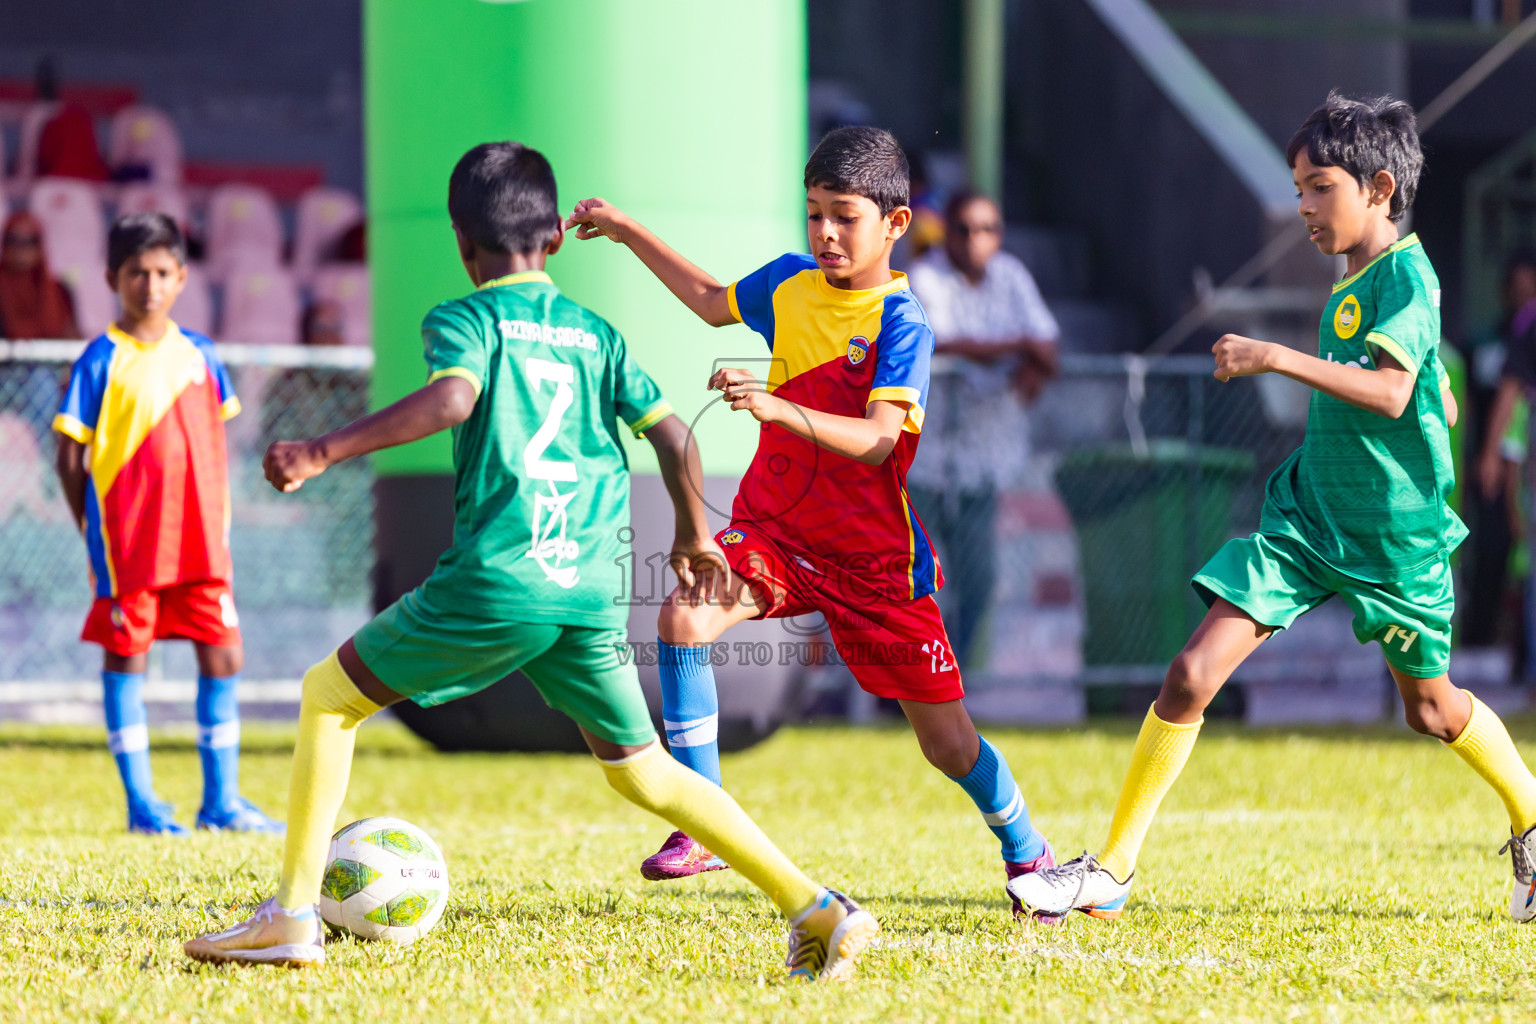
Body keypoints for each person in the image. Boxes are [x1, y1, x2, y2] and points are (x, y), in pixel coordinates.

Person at [184, 142, 877, 980]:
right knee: (646, 773)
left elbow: (453, 397)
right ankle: (816, 907)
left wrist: (324, 450)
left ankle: (291, 917)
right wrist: (694, 536)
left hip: (498, 580)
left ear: (461, 240)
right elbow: (675, 433)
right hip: (586, 592)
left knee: (327, 697)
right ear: (552, 238)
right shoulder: (596, 334)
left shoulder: (465, 319)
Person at [1012, 92, 1536, 924]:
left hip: (1394, 540)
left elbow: (1396, 393)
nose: (1303, 207)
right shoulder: (1356, 276)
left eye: (1318, 187)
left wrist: (1276, 357)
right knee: (1189, 674)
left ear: (1380, 186)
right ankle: (1111, 870)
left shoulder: (1408, 274)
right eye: (1297, 188)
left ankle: (1532, 816)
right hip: (1308, 520)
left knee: (1431, 708)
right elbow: (1423, 387)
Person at [567, 125, 1059, 919]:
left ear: (895, 225)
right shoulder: (788, 284)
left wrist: (777, 406)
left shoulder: (903, 324)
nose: (825, 233)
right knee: (684, 615)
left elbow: (876, 441)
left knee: (948, 745)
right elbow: (704, 299)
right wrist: (626, 231)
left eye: (844, 216)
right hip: (779, 533)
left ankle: (1027, 850)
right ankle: (702, 824)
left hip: (873, 562)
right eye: (813, 214)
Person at [53, 213, 281, 835]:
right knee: (128, 659)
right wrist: (91, 530)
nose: (149, 285)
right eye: (135, 273)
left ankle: (222, 802)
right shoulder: (100, 359)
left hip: (203, 545)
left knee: (224, 657)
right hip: (130, 549)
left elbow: (214, 442)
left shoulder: (202, 355)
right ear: (111, 278)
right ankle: (141, 803)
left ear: (181, 277)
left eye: (160, 272)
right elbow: (70, 455)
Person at [905, 190, 1060, 669]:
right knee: (915, 582)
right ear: (946, 233)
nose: (976, 240)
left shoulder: (1010, 274)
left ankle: (949, 681)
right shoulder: (923, 275)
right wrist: (1018, 346)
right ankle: (904, 683)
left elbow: (1049, 348)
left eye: (988, 229)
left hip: (983, 461)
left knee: (978, 580)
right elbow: (942, 343)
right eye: (965, 229)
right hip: (923, 459)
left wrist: (1030, 360)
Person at [1466, 253, 1536, 654]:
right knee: (1500, 553)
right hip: (1515, 462)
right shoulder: (1498, 340)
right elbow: (1505, 397)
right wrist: (1490, 454)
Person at [0, 211, 80, 339]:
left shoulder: (60, 292)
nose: (21, 248)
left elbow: (71, 340)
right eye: (13, 240)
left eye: (30, 241)